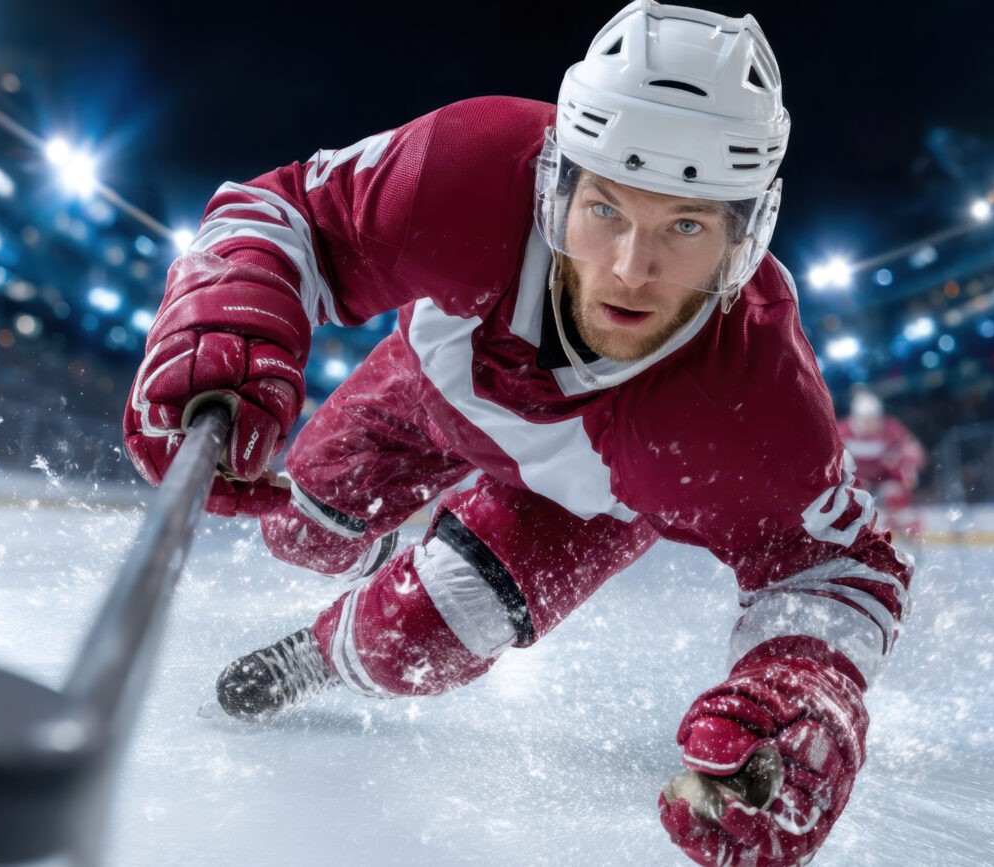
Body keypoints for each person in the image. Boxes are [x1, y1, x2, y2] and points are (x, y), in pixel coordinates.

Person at [123, 3, 914, 864]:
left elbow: (833, 563)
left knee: (414, 640)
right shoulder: (471, 166)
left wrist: (801, 690)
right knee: (298, 527)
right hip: (425, 395)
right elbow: (293, 215)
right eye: (606, 209)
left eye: (685, 226)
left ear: (744, 236)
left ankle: (331, 649)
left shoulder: (754, 396)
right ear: (556, 182)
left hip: (574, 506)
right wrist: (229, 319)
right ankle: (374, 561)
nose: (629, 269)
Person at [838, 388, 926, 541]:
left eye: (875, 418)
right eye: (867, 419)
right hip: (855, 482)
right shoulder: (842, 431)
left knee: (896, 495)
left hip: (884, 479)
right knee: (854, 503)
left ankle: (909, 537)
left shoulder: (890, 428)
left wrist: (908, 466)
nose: (872, 423)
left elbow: (910, 447)